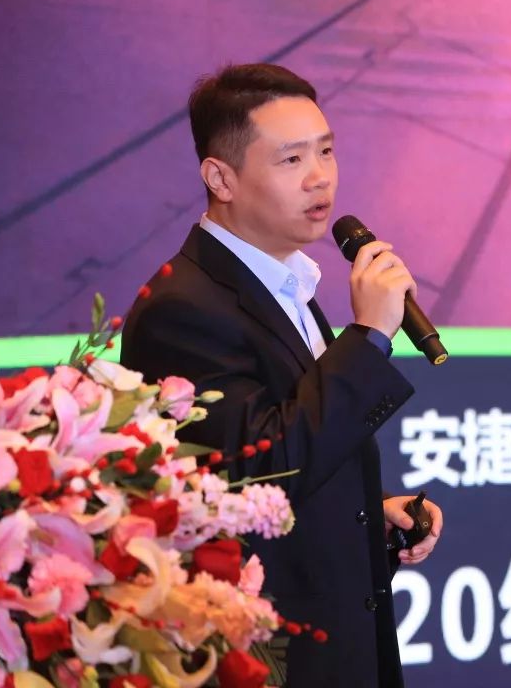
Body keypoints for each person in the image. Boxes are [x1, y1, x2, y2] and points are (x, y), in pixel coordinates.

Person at [121, 62, 442, 687]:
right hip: (265, 662)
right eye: (291, 159)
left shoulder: (285, 283)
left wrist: (371, 516)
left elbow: (297, 456)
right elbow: (256, 470)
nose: (320, 177)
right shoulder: (181, 309)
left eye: (326, 151)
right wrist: (369, 337)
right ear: (220, 177)